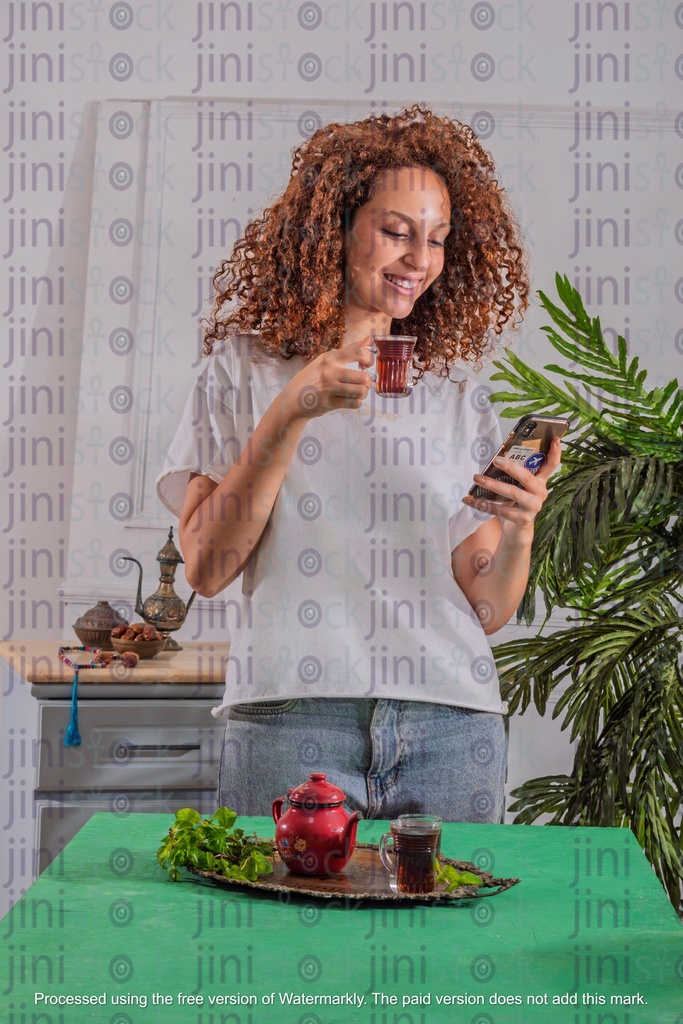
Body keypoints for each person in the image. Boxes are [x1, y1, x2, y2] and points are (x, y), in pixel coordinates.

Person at [156, 105, 560, 823]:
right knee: (273, 931)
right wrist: (292, 409)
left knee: (450, 938)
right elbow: (208, 567)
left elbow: (487, 607)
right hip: (289, 717)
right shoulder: (242, 371)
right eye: (395, 232)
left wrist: (521, 524)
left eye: (435, 240)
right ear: (332, 229)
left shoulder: (456, 393)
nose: (418, 261)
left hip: (451, 720)